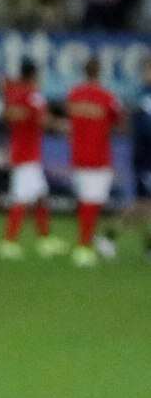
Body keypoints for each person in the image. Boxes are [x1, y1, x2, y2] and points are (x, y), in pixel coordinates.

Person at [0, 59, 64, 259]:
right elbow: (43, 119)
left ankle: (44, 239)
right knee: (20, 199)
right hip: (28, 155)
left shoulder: (14, 94)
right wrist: (64, 126)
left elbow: (8, 115)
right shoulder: (33, 95)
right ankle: (8, 242)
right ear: (34, 75)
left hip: (19, 150)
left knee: (41, 196)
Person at [64, 58, 123, 267]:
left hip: (78, 155)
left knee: (85, 200)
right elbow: (118, 121)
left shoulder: (74, 95)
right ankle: (84, 246)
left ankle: (88, 239)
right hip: (98, 156)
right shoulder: (108, 97)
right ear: (100, 73)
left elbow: (70, 120)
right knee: (93, 201)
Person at [133, 57, 151, 202]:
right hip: (142, 144)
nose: (146, 73)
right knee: (141, 176)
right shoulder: (140, 92)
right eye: (145, 70)